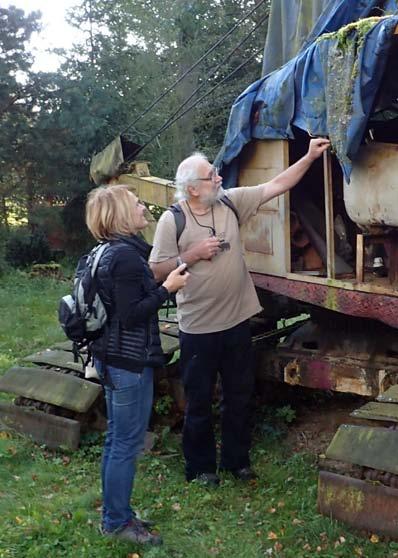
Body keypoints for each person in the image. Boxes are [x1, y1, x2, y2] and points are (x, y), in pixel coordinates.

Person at [149, 138, 330, 484]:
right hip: (198, 328)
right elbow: (156, 270)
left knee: (239, 397)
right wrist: (194, 254)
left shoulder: (230, 202)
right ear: (192, 190)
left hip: (236, 324)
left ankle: (237, 462)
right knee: (199, 402)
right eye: (211, 176)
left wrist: (308, 157)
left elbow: (277, 184)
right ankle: (200, 469)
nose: (219, 178)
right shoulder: (173, 222)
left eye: (216, 173)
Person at [85, 185, 189, 545]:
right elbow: (131, 315)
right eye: (135, 204)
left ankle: (116, 512)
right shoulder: (125, 259)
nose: (143, 207)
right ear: (119, 215)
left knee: (117, 439)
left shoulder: (105, 252)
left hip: (111, 357)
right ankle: (117, 522)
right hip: (128, 360)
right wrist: (168, 288)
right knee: (126, 442)